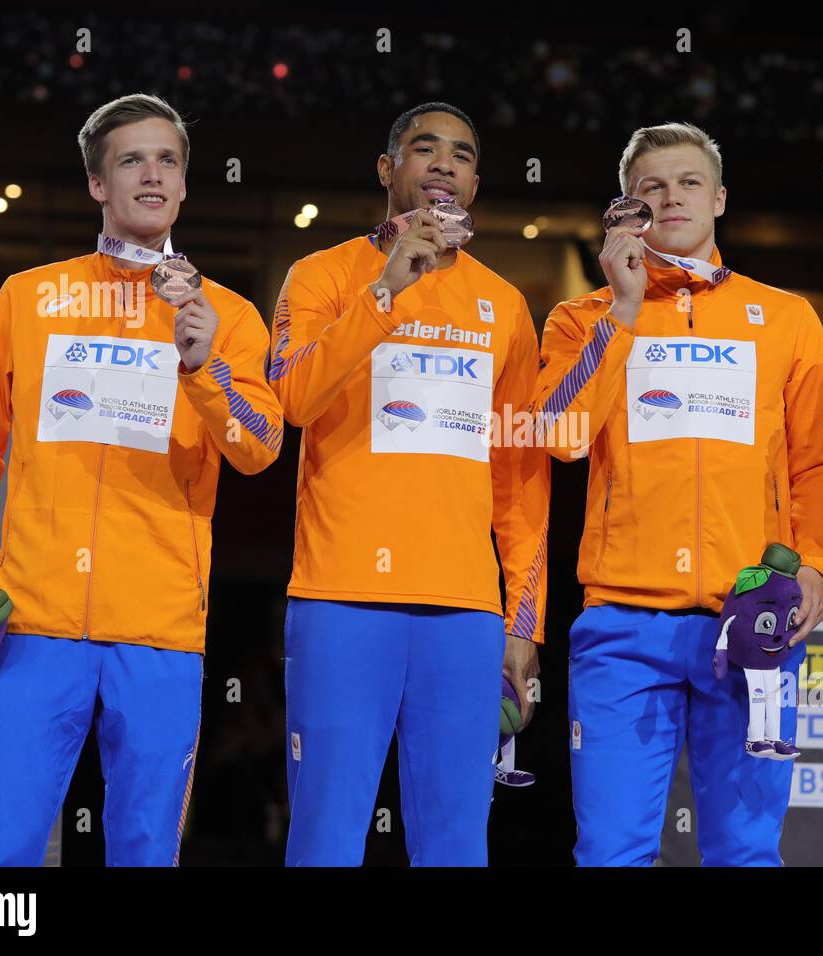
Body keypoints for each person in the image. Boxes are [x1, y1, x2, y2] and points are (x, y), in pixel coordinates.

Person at [0, 93, 283, 865]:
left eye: (168, 160)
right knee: (2, 854)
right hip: (35, 626)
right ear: (97, 184)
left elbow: (259, 448)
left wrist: (202, 366)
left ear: (184, 185)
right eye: (132, 159)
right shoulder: (30, 296)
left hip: (160, 632)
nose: (153, 175)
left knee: (146, 850)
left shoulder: (229, 317)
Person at [529, 122, 823, 865]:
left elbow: (821, 463)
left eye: (688, 182)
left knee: (745, 853)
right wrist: (624, 309)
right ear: (628, 207)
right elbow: (559, 434)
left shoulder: (787, 318)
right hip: (623, 624)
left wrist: (813, 568)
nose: (672, 197)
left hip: (751, 619)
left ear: (720, 198)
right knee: (611, 852)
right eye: (652, 187)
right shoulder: (582, 319)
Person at [269, 102, 550, 866]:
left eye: (460, 155)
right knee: (326, 837)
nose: (443, 164)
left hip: (463, 613)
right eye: (424, 150)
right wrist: (386, 292)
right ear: (388, 170)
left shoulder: (505, 307)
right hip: (340, 597)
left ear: (475, 182)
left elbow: (521, 480)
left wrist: (522, 623)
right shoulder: (323, 275)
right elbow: (293, 400)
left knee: (456, 844)